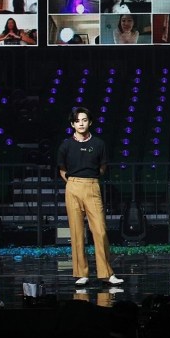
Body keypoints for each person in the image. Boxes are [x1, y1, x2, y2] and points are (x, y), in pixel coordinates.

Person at [56, 107, 124, 287]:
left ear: (90, 122)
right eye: (77, 120)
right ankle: (81, 273)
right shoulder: (66, 145)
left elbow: (102, 167)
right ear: (72, 124)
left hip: (92, 185)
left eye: (84, 120)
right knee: (77, 231)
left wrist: (90, 181)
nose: (81, 123)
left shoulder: (99, 144)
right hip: (73, 186)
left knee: (100, 230)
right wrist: (73, 183)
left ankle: (106, 273)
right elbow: (62, 169)